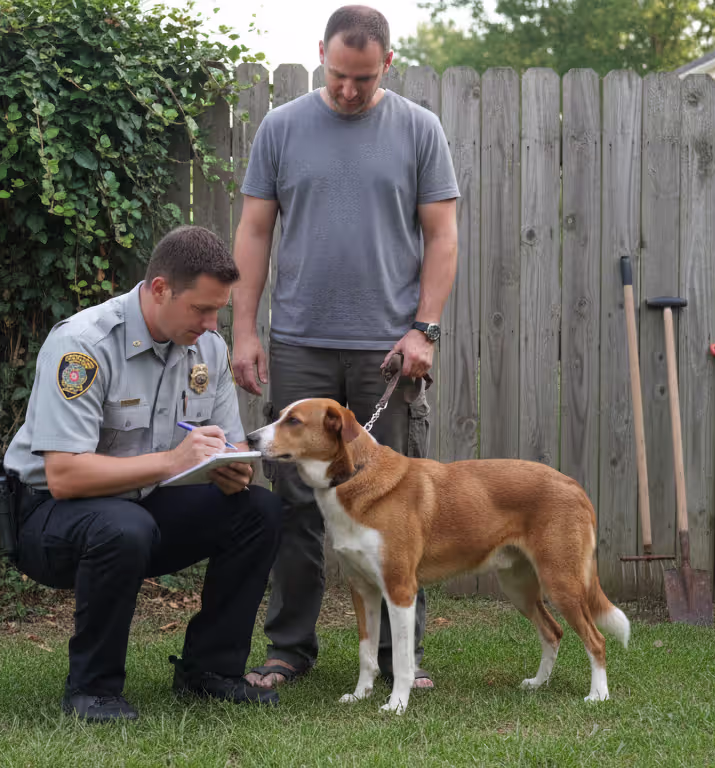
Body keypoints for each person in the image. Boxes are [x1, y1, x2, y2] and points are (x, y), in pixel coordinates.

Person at [229, 4, 460, 691]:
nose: (349, 90)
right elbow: (253, 230)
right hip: (299, 339)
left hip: (387, 349)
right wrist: (245, 329)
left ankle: (399, 662)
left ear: (387, 63)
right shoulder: (282, 126)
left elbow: (442, 236)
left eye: (363, 77)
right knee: (296, 503)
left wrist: (426, 326)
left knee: (396, 506)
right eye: (338, 74)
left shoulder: (420, 129)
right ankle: (289, 649)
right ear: (321, 55)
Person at [2, 225, 284, 723]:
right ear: (159, 290)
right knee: (123, 527)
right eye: (200, 308)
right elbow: (64, 476)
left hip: (142, 507)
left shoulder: (209, 349)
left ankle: (211, 672)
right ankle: (94, 691)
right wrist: (176, 460)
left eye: (217, 309)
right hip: (47, 516)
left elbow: (229, 441)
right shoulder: (83, 344)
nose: (210, 322)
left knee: (258, 510)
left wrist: (232, 466)